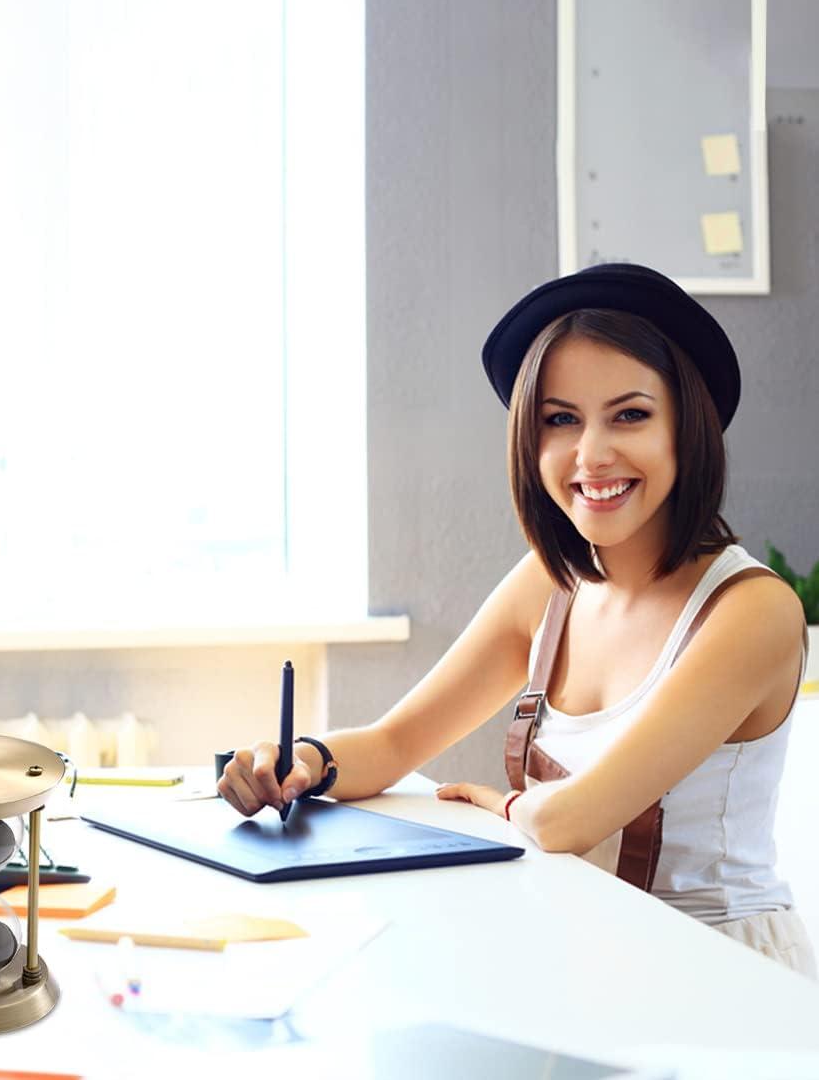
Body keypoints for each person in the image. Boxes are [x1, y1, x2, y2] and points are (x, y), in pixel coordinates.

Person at [218, 263, 816, 977]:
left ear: (689, 429)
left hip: (720, 970)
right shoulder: (550, 584)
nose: (591, 454)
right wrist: (299, 764)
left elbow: (567, 820)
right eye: (559, 420)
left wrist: (493, 805)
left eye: (630, 414)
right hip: (589, 945)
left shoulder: (752, 611)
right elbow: (394, 740)